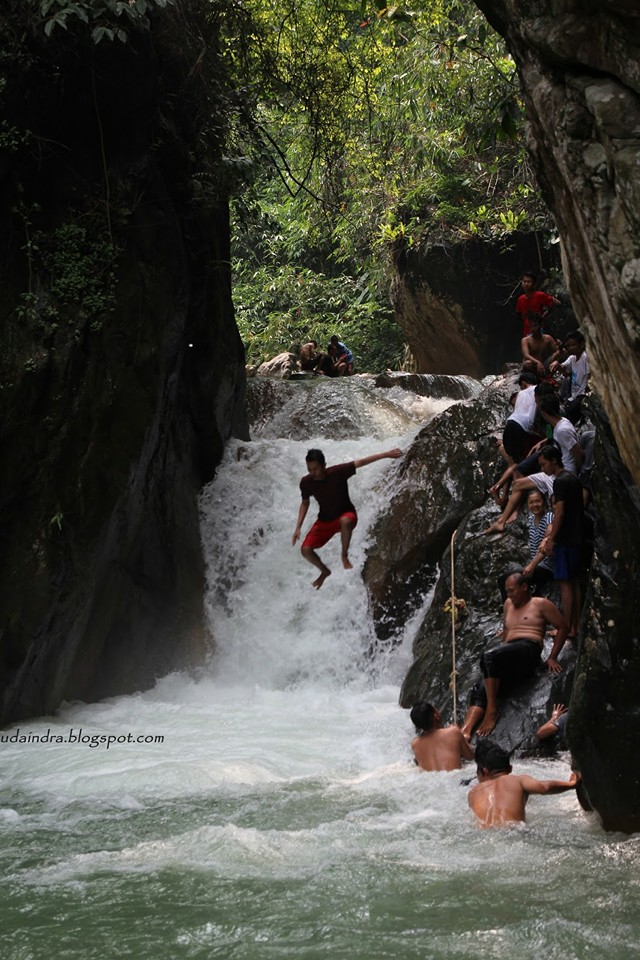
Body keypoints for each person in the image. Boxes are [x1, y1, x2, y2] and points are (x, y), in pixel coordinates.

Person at [461, 573, 570, 739]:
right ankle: (465, 732)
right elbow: (507, 630)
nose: (509, 595)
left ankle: (492, 711)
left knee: (489, 657)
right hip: (510, 654)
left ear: (524, 587)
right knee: (480, 688)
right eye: (507, 592)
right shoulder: (507, 604)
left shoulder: (540, 604)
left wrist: (552, 657)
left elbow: (563, 627)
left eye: (512, 591)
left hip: (529, 651)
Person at [292, 447, 402, 589]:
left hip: (347, 515)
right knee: (305, 550)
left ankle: (344, 555)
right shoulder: (306, 482)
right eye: (309, 469)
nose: (313, 473)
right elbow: (305, 502)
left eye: (316, 469)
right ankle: (325, 572)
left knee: (345, 521)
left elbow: (361, 462)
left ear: (324, 466)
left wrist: (386, 454)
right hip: (325, 520)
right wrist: (298, 527)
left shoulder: (337, 472)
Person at [468, 739, 580, 827]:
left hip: (486, 839)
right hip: (515, 833)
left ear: (485, 771)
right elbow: (544, 787)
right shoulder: (518, 780)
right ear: (510, 769)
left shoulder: (473, 793)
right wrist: (571, 784)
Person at [538, 444, 588, 639]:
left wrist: (551, 539)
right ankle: (575, 626)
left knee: (565, 583)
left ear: (553, 461)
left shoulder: (560, 482)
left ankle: (567, 627)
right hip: (578, 536)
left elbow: (559, 512)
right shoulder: (572, 478)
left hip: (566, 538)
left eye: (544, 464)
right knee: (574, 582)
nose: (543, 469)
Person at [410, 701, 475, 771]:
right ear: (436, 716)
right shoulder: (453, 732)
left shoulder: (415, 744)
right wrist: (462, 737)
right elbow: (470, 756)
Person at [550, 330, 590, 424]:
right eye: (568, 346)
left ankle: (550, 436)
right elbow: (563, 368)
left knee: (552, 417)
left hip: (582, 396)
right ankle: (549, 436)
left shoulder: (586, 358)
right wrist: (557, 364)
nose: (570, 348)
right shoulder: (573, 358)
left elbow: (590, 379)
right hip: (573, 395)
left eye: (573, 345)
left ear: (581, 344)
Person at [515, 272, 560, 336]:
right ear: (521, 283)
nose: (526, 284)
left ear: (534, 284)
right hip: (527, 332)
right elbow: (519, 314)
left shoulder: (539, 295)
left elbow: (557, 303)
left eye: (529, 282)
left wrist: (545, 314)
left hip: (539, 331)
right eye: (524, 281)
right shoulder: (521, 299)